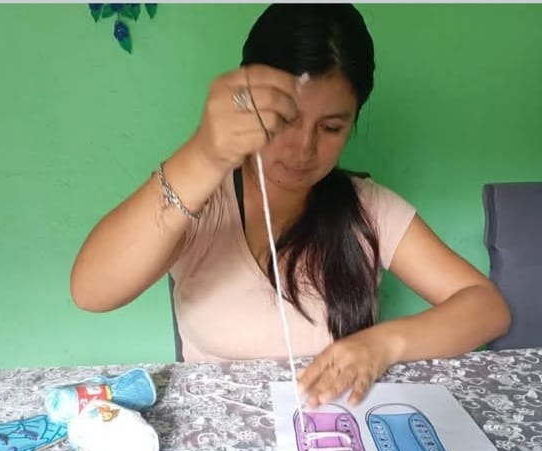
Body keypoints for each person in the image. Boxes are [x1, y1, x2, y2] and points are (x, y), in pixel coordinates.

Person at [70, 4, 511, 409]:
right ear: (247, 102)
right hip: (219, 443)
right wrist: (203, 154)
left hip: (334, 441)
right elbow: (91, 291)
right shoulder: (202, 199)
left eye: (331, 128)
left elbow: (487, 308)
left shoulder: (368, 208)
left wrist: (383, 344)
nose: (303, 150)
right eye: (284, 120)